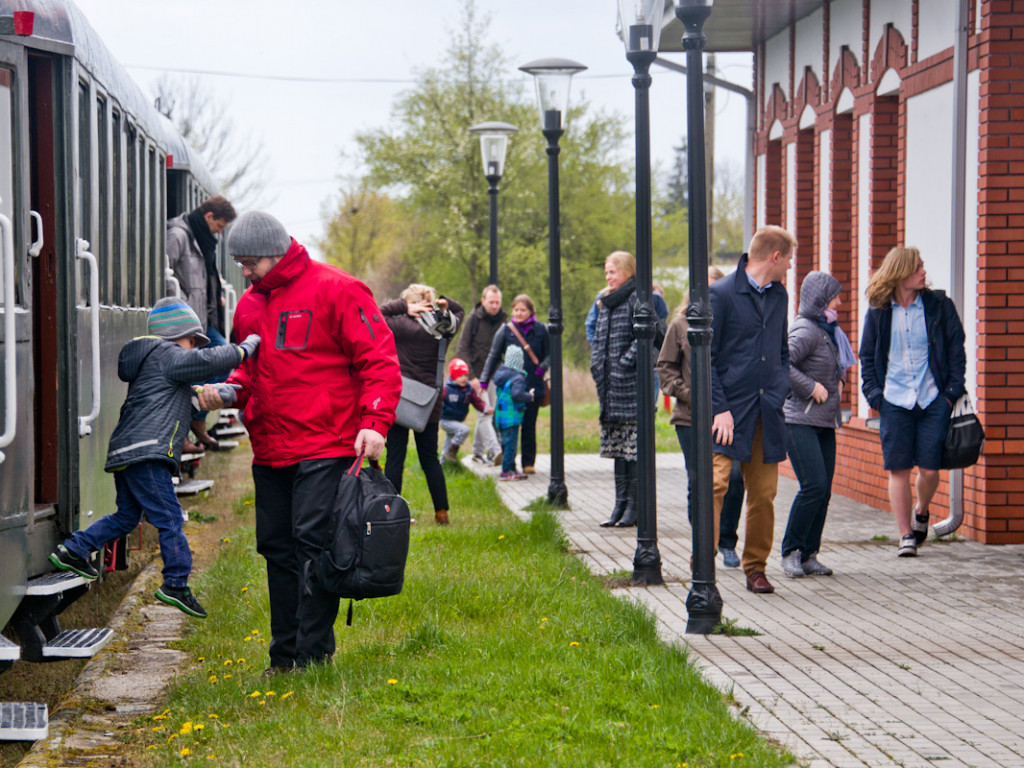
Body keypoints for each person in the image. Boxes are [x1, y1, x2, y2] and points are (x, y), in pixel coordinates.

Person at [198, 211, 401, 673]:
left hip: (325, 444)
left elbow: (379, 360)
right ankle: (284, 655)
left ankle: (311, 656)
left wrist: (375, 422)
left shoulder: (339, 290)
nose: (244, 273)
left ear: (275, 253)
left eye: (249, 263)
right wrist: (227, 389)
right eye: (239, 264)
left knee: (313, 546)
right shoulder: (249, 305)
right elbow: (248, 370)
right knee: (276, 549)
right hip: (271, 448)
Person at [49, 298, 259, 618]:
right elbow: (210, 360)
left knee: (126, 517)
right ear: (179, 337)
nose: (193, 350)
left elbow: (187, 394)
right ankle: (175, 584)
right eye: (192, 343)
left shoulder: (155, 363)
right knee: (170, 518)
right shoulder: (168, 355)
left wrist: (222, 394)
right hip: (147, 453)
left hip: (129, 451)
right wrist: (245, 348)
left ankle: (74, 550)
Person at [859, 246, 966, 557]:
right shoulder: (879, 310)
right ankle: (905, 534)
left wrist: (950, 394)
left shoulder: (938, 306)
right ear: (901, 272)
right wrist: (875, 396)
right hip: (894, 400)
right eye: (918, 267)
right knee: (899, 469)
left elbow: (956, 350)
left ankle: (922, 509)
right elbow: (867, 356)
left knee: (930, 470)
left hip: (933, 398)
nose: (924, 272)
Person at [709, 226, 795, 594]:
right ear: (775, 256)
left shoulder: (780, 296)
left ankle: (755, 567)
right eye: (789, 259)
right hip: (728, 412)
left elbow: (781, 350)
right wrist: (719, 409)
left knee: (764, 493)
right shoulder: (720, 294)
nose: (790, 266)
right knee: (715, 485)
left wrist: (779, 389)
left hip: (766, 410)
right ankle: (703, 565)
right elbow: (706, 360)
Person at [656, 266, 745, 566]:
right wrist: (690, 393)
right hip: (690, 419)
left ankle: (728, 541)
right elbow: (665, 369)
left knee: (732, 479)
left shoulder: (731, 325)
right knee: (699, 481)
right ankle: (703, 546)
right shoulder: (680, 325)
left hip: (726, 417)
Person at [780, 271, 856, 577]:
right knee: (814, 486)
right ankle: (791, 552)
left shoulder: (827, 330)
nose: (840, 302)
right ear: (821, 300)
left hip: (823, 421)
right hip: (799, 420)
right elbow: (781, 363)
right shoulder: (806, 330)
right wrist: (811, 387)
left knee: (823, 491)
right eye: (835, 296)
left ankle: (810, 554)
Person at [381, 284, 464, 526]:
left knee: (395, 457)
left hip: (400, 399)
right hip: (429, 402)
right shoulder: (442, 329)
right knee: (429, 458)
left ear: (410, 303)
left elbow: (378, 313)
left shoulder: (399, 326)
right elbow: (461, 312)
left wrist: (403, 307)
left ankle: (392, 512)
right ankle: (441, 512)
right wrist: (443, 302)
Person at [167, 195, 237, 449]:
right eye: (219, 226)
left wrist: (213, 295)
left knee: (227, 359)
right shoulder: (178, 234)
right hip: (185, 320)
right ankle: (186, 428)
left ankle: (195, 418)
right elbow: (165, 274)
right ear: (209, 216)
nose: (219, 232)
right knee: (192, 374)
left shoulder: (201, 238)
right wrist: (183, 302)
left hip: (202, 319)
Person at [590, 251, 641, 528]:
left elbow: (647, 337)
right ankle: (619, 504)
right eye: (606, 272)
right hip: (609, 389)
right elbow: (598, 338)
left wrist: (623, 364)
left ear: (628, 271)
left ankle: (635, 506)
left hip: (629, 387)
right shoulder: (605, 303)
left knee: (632, 450)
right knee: (617, 451)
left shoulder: (636, 298)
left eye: (613, 271)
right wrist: (596, 365)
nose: (608, 277)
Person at [479, 294, 549, 474]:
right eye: (516, 310)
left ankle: (528, 462)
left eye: (522, 310)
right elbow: (493, 356)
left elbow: (552, 353)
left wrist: (542, 367)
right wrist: (484, 381)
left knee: (529, 424)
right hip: (510, 388)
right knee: (511, 427)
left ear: (530, 311)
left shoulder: (541, 329)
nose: (518, 313)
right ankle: (510, 465)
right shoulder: (506, 330)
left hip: (533, 384)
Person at [455, 285, 506, 465]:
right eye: (491, 302)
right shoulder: (473, 319)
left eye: (497, 303)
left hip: (496, 376)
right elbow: (462, 348)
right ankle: (495, 450)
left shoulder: (504, 321)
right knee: (485, 414)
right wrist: (472, 377)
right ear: (483, 301)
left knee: (491, 412)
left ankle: (477, 453)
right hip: (477, 376)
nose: (494, 306)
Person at [492, 346, 535, 480]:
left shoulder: (501, 375)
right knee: (511, 445)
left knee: (506, 444)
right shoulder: (518, 377)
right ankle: (506, 471)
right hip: (511, 417)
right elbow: (517, 395)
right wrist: (529, 396)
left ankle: (511, 468)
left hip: (500, 416)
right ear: (519, 361)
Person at [439, 358, 491, 463]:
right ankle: (452, 452)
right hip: (445, 420)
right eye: (460, 376)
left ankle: (444, 462)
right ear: (453, 377)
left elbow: (476, 401)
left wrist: (486, 408)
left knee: (449, 440)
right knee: (464, 430)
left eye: (466, 376)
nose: (463, 379)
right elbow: (438, 403)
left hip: (457, 420)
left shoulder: (468, 390)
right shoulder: (446, 389)